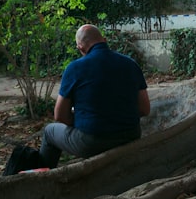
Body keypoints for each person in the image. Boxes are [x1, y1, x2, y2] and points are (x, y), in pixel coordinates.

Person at [37, 23, 150, 169]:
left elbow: (59, 116)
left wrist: (84, 121)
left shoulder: (75, 68)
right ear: (104, 40)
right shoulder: (130, 64)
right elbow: (145, 109)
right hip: (130, 136)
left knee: (49, 131)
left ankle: (45, 180)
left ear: (80, 48)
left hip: (92, 142)